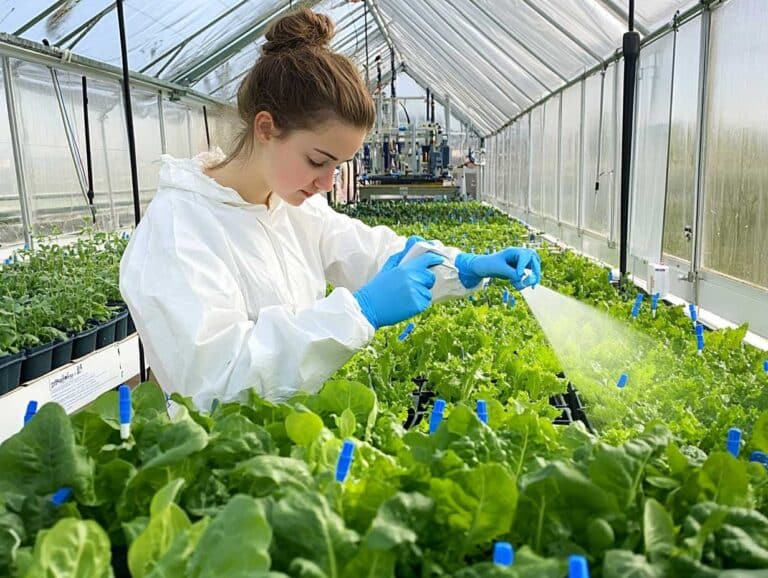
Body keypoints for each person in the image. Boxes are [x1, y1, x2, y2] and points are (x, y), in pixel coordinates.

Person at [119, 8, 541, 412]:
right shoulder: (180, 229)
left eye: (337, 167)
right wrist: (360, 313)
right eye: (318, 161)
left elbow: (372, 253)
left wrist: (462, 266)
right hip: (225, 467)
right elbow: (218, 382)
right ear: (266, 128)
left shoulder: (287, 207)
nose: (326, 183)